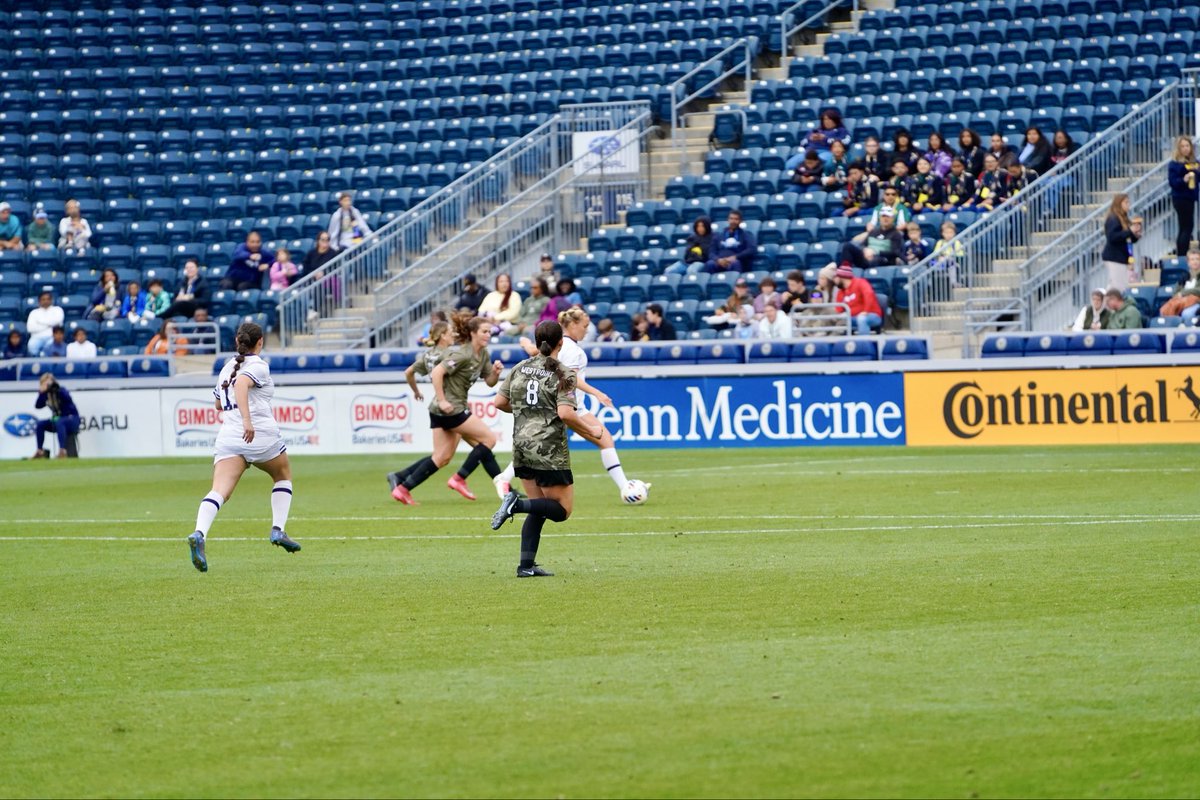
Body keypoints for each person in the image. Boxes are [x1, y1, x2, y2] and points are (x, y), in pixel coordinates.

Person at [490, 320, 605, 577]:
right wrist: (591, 430)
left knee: (539, 506)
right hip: (548, 449)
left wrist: (527, 410)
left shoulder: (521, 367)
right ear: (560, 343)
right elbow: (565, 413)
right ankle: (515, 504)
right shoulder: (564, 373)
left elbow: (499, 402)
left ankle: (525, 566)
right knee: (561, 511)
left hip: (521, 445)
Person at [495, 307, 646, 502]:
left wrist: (525, 344)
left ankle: (505, 478)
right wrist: (597, 392)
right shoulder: (573, 350)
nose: (586, 330)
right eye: (584, 326)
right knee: (604, 440)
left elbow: (538, 356)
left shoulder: (557, 345)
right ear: (572, 325)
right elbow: (571, 378)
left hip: (561, 405)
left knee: (535, 446)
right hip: (568, 406)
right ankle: (626, 488)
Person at [186, 322, 301, 573]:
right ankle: (278, 529)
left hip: (229, 436)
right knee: (282, 475)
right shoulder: (258, 365)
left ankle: (199, 533)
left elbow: (218, 404)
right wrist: (247, 420)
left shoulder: (226, 367)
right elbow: (241, 386)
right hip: (257, 433)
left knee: (219, 491)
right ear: (259, 342)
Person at [388, 314, 506, 505]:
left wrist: (495, 373)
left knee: (442, 457)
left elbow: (490, 382)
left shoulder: (483, 354)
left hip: (441, 410)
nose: (488, 335)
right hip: (450, 408)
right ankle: (459, 478)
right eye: (484, 332)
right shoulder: (462, 354)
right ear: (473, 333)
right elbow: (436, 373)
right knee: (489, 439)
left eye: (489, 332)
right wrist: (442, 400)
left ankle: (402, 488)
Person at [31, 374, 80, 459]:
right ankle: (40, 451)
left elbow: (67, 398)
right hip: (58, 420)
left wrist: (56, 389)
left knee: (60, 422)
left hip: (72, 419)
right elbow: (38, 405)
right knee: (40, 424)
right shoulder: (46, 395)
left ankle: (62, 451)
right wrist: (42, 393)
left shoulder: (61, 390)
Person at [1101, 193, 1142, 292]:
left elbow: (1128, 238)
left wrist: (1135, 234)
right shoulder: (1113, 218)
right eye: (1126, 202)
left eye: (1129, 202)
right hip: (1114, 257)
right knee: (1118, 287)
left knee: (1118, 285)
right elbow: (1112, 237)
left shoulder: (1124, 218)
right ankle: (1108, 305)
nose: (1128, 205)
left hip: (1122, 257)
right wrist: (1129, 231)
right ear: (1119, 204)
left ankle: (1107, 304)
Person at [1169, 136, 1200, 256]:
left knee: (1188, 227)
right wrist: (1183, 179)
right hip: (1180, 198)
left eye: (1187, 146)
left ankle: (1184, 253)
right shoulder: (1175, 164)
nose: (1186, 149)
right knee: (1185, 227)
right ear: (1179, 148)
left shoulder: (1194, 162)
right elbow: (1173, 182)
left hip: (1191, 197)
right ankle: (1182, 255)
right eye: (1183, 146)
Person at [834, 263, 884, 335]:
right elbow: (838, 309)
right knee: (840, 319)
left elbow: (869, 294)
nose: (834, 280)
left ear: (842, 277)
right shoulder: (841, 292)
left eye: (836, 277)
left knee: (861, 318)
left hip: (872, 315)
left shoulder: (860, 282)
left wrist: (866, 311)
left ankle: (864, 344)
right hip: (853, 317)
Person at [700, 209, 755, 274]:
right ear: (728, 220)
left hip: (736, 261)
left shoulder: (746, 234)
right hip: (719, 261)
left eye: (736, 219)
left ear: (741, 221)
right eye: (731, 219)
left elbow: (751, 249)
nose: (733, 221)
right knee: (710, 264)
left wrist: (735, 257)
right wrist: (718, 259)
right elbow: (711, 252)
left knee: (735, 263)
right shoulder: (719, 235)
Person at [1159, 250, 1200, 322]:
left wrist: (1183, 293)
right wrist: (1180, 294)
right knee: (1164, 311)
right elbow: (1175, 293)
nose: (1195, 261)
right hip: (1182, 302)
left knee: (1187, 314)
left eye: (1197, 259)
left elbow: (1198, 290)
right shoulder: (1184, 277)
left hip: (1197, 302)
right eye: (1192, 259)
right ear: (1188, 262)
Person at [26, 291, 64, 356]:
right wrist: (49, 325)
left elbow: (57, 321)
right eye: (43, 299)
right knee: (31, 346)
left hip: (52, 337)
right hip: (36, 337)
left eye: (48, 299)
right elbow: (30, 328)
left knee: (49, 351)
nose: (46, 301)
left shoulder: (58, 310)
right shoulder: (34, 312)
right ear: (39, 301)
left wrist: (40, 322)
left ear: (51, 300)